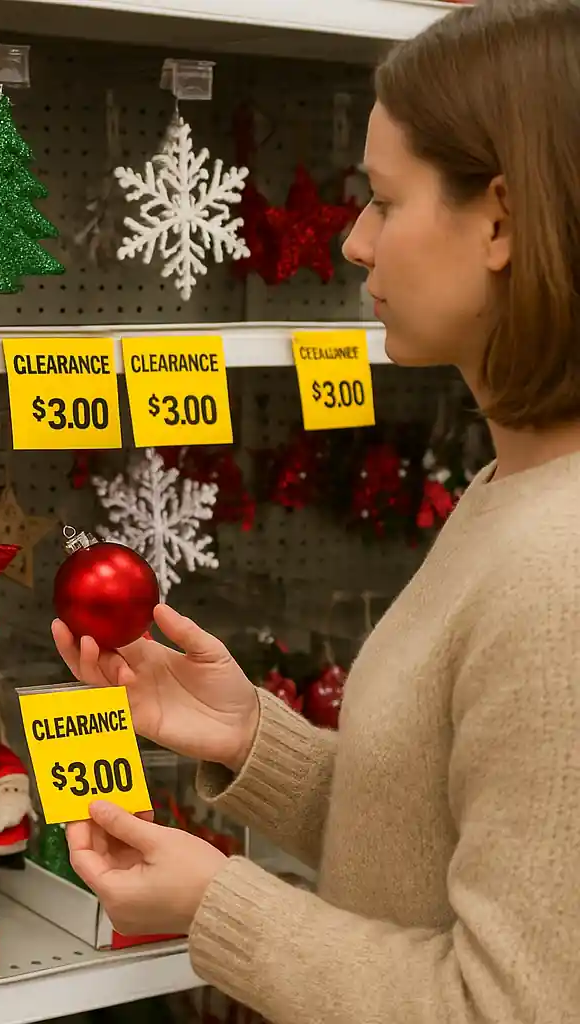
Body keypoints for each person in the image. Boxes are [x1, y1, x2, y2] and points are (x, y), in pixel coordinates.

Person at [51, 1, 580, 1020]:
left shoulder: (559, 569)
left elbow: (510, 1006)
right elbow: (453, 842)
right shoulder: (510, 492)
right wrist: (253, 738)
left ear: (502, 219)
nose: (351, 243)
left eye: (382, 199)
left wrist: (219, 904)